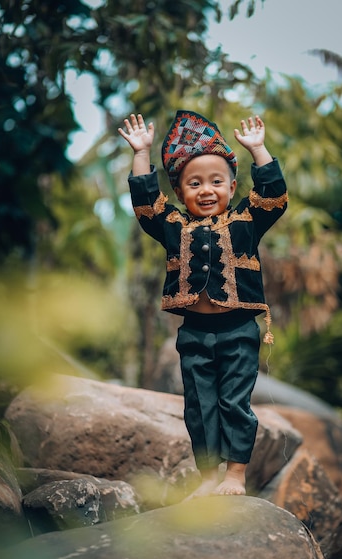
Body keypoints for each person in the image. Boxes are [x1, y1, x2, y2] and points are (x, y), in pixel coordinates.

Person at [118, 110, 288, 497]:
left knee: (234, 402)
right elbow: (146, 203)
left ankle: (235, 476)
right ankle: (208, 478)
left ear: (232, 186)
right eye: (194, 183)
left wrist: (259, 150)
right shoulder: (172, 225)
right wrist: (141, 152)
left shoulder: (246, 219)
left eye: (216, 181)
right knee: (199, 406)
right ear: (179, 193)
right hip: (194, 333)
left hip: (239, 331)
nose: (206, 190)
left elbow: (274, 197)